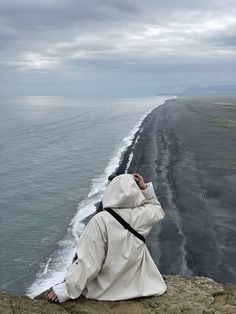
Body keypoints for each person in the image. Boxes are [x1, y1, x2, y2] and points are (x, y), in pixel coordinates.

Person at [48, 173, 166, 303]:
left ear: (111, 191)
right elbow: (156, 208)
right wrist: (144, 188)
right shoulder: (141, 215)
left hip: (105, 291)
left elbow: (89, 262)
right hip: (140, 287)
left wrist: (66, 289)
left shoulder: (100, 220)